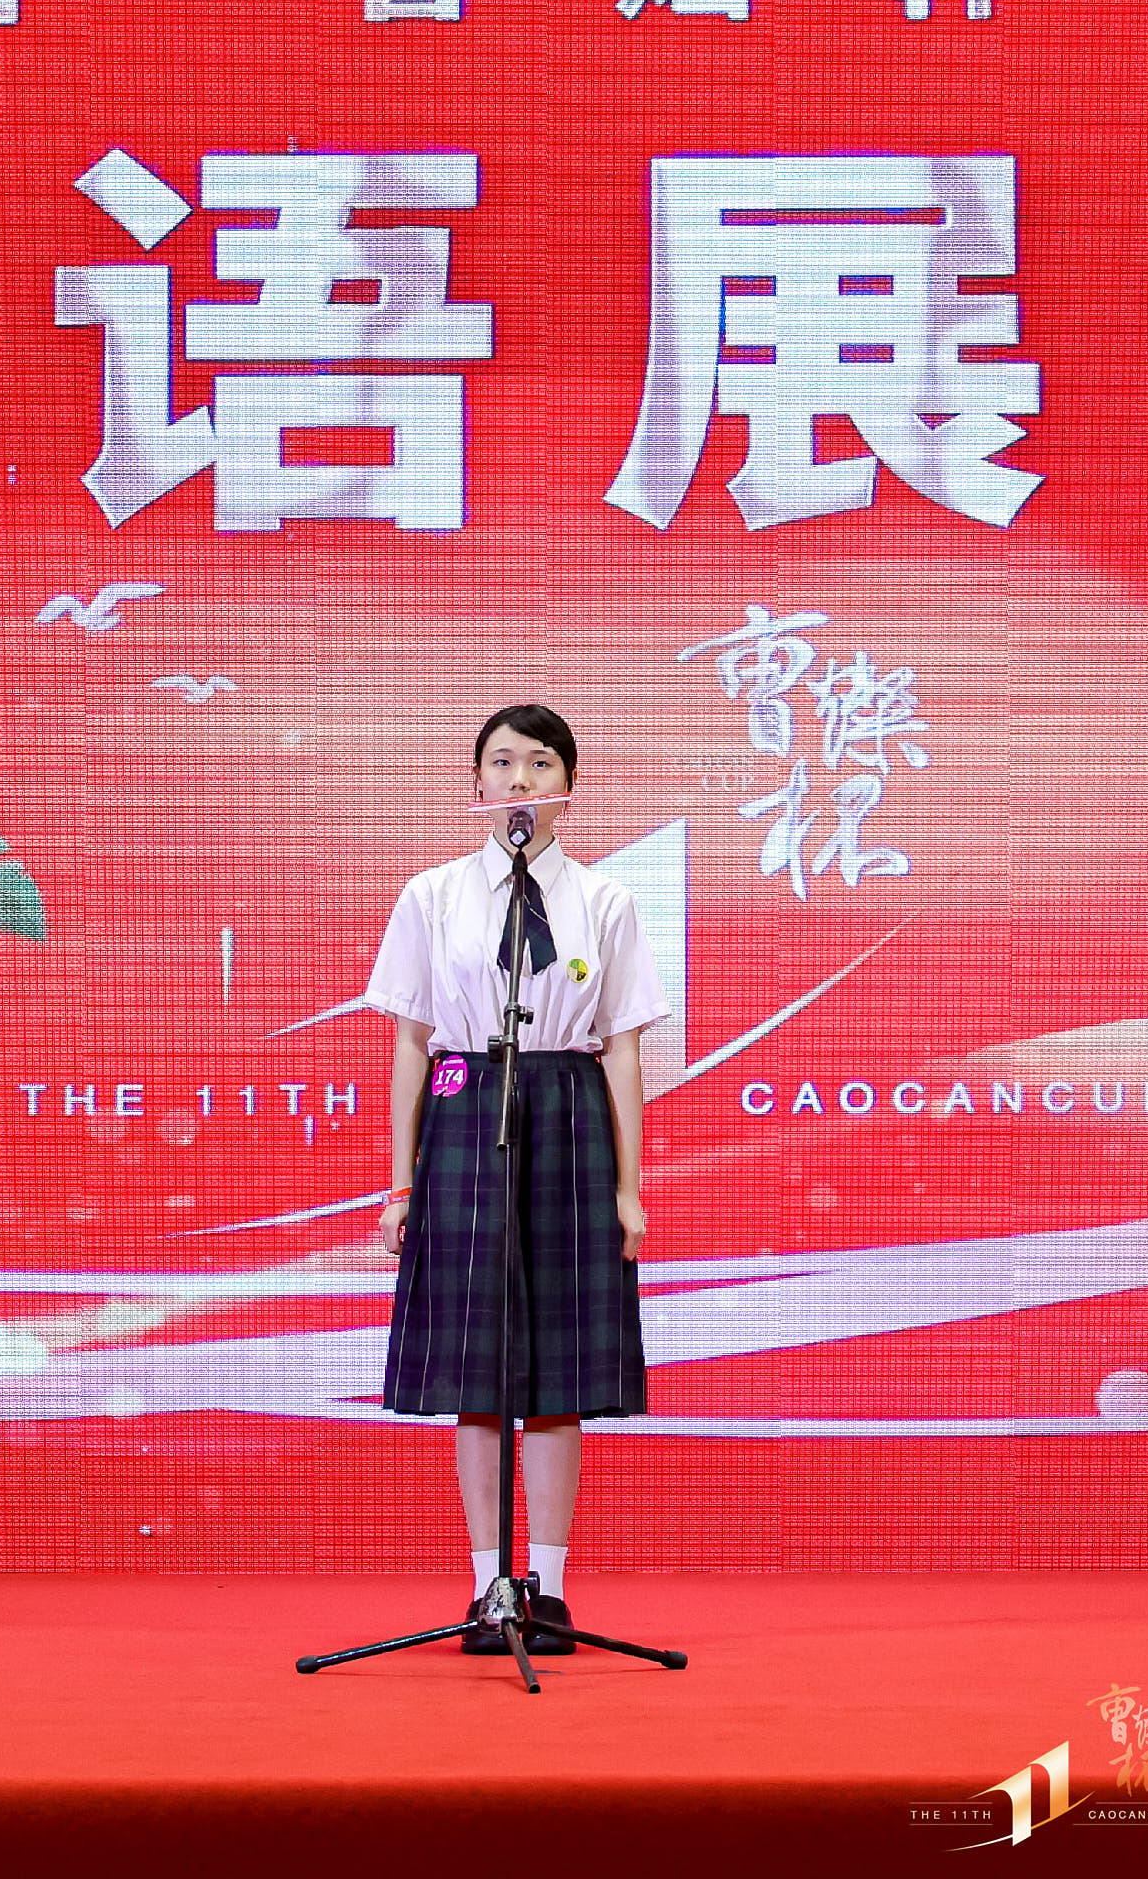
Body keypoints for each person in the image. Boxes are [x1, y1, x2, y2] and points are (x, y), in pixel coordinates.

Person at [364, 705, 669, 1655]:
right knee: (477, 1370)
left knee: (560, 1372)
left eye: (540, 764)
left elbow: (622, 1051)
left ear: (568, 787)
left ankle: (550, 1585)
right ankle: (486, 1584)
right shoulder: (432, 896)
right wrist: (400, 1186)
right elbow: (411, 1044)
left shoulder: (605, 902)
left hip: (569, 1107)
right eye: (502, 763)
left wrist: (628, 1189)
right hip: (466, 1106)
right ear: (477, 784)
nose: (521, 781)